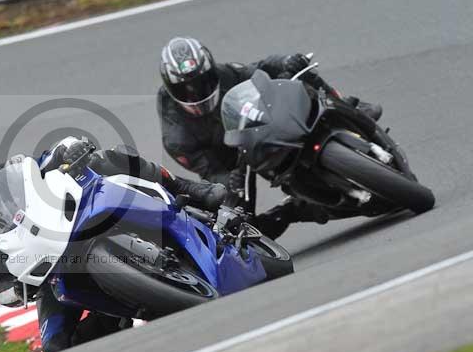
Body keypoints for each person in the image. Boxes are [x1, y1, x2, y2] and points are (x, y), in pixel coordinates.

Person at [0, 137, 227, 352]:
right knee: (56, 347)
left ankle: (189, 190)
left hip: (72, 225)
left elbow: (44, 162)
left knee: (108, 158)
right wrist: (11, 289)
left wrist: (67, 151)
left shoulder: (8, 173)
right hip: (46, 276)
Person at [156, 36, 383, 239]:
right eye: (185, 90)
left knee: (300, 73)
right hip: (235, 164)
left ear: (211, 71)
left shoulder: (226, 74)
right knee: (241, 228)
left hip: (260, 128)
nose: (196, 92)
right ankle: (293, 210)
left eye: (202, 81)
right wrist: (228, 182)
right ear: (170, 88)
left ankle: (352, 106)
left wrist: (286, 62)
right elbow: (212, 173)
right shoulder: (177, 139)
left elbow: (260, 70)